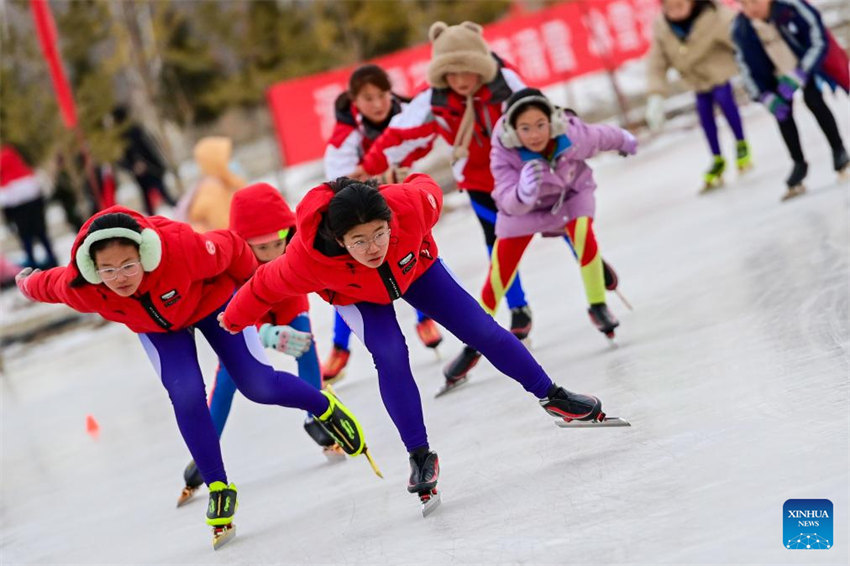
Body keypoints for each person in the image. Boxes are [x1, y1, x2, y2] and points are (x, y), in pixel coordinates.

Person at [218, 173, 611, 510]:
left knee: (482, 330)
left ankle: (553, 396)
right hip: (355, 295)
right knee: (390, 356)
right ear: (339, 241)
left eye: (379, 234)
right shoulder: (306, 259)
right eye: (359, 241)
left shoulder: (411, 206)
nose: (373, 248)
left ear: (390, 222)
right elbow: (261, 287)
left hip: (418, 270)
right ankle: (420, 456)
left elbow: (426, 186)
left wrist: (407, 177)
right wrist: (232, 319)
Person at [14, 206, 369, 547]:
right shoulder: (83, 286)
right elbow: (45, 284)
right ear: (93, 271)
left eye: (128, 265)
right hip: (157, 329)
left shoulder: (183, 249)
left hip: (211, 301)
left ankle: (324, 405)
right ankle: (219, 487)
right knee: (185, 395)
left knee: (257, 384)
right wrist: (26, 284)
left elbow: (233, 247)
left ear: (147, 255)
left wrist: (261, 298)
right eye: (107, 270)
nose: (119, 277)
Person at [352, 22, 621, 382]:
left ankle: (596, 295)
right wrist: (365, 170)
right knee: (500, 247)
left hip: (526, 176)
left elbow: (544, 118)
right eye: (451, 72)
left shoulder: (506, 84)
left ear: (481, 65)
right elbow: (398, 137)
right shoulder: (432, 98)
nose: (461, 80)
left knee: (572, 229)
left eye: (467, 70)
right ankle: (518, 309)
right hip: (480, 184)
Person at [444, 89, 638, 386]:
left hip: (569, 196)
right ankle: (474, 341)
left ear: (552, 122)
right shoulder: (503, 151)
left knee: (583, 232)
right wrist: (522, 192)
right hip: (523, 211)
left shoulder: (572, 134)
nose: (534, 134)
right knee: (501, 269)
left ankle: (598, 305)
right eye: (525, 128)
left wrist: (625, 140)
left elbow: (602, 136)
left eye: (540, 125)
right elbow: (506, 198)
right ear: (512, 129)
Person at [177, 182, 342, 506]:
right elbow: (232, 317)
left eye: (278, 243)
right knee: (228, 377)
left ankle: (316, 418)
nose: (271, 254)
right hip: (245, 305)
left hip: (285, 296)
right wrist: (265, 335)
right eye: (260, 249)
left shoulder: (294, 253)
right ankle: (205, 451)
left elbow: (300, 307)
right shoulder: (231, 264)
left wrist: (293, 330)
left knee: (305, 344)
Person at [322, 64, 442, 382]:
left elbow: (427, 143)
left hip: (400, 201)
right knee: (348, 279)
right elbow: (338, 184)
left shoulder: (406, 112)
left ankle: (425, 316)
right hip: (361, 213)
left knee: (417, 251)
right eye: (368, 98)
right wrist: (382, 177)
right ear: (354, 101)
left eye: (381, 95)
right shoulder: (344, 136)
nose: (377, 104)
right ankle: (340, 347)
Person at [733, 0, 849, 200]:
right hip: (776, 78)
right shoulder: (741, 29)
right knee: (783, 115)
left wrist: (802, 72)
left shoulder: (791, 7)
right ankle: (798, 164)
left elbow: (817, 35)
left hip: (805, 65)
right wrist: (765, 96)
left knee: (814, 100)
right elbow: (745, 68)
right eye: (744, 4)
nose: (751, 8)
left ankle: (839, 151)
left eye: (754, 1)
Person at [646, 0, 752, 191]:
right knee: (705, 116)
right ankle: (717, 157)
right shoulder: (663, 27)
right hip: (696, 81)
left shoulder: (713, 16)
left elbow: (740, 36)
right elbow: (657, 62)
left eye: (679, 6)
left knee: (725, 102)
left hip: (718, 72)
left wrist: (753, 66)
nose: (675, 12)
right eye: (669, 9)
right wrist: (656, 94)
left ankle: (741, 143)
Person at [112, 106, 178, 215]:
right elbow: (120, 159)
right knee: (151, 201)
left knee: (163, 196)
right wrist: (133, 167)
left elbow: (148, 148)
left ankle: (180, 212)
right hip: (143, 172)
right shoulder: (124, 135)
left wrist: (144, 164)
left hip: (151, 169)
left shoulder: (134, 131)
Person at [1, 144, 58, 269]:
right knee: (42, 235)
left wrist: (9, 220)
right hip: (34, 207)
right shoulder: (27, 175)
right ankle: (52, 258)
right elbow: (40, 198)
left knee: (26, 239)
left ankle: (32, 262)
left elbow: (6, 207)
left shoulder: (7, 184)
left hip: (18, 211)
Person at [175, 136, 245, 232]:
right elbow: (225, 225)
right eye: (227, 158)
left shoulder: (220, 184)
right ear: (215, 162)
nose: (230, 161)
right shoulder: (212, 189)